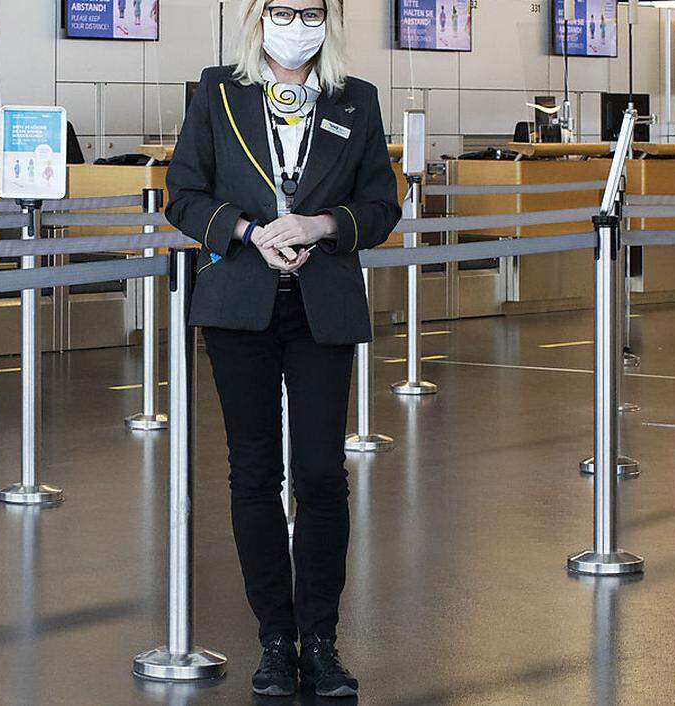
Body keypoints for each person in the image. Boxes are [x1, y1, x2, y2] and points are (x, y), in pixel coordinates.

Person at [163, 0, 400, 698]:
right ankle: (275, 637)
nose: (295, 23)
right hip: (240, 305)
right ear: (258, 17)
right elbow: (182, 196)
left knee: (323, 474)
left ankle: (320, 640)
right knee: (255, 474)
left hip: (322, 307)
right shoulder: (217, 91)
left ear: (327, 21)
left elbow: (382, 208)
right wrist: (248, 233)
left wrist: (321, 223)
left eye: (309, 11)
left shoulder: (355, 102)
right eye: (282, 9)